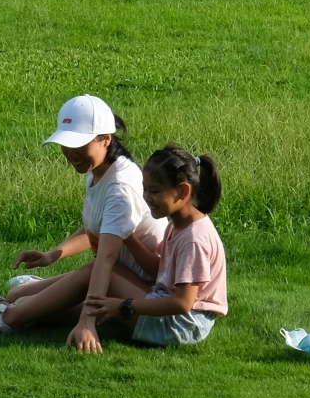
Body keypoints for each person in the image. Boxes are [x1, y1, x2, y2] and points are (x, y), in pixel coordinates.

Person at [0, 95, 165, 354]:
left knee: (82, 275)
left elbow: (105, 259)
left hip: (146, 296)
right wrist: (53, 255)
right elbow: (95, 228)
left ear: (106, 139)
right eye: (66, 143)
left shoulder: (120, 187)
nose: (71, 153)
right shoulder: (98, 173)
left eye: (79, 144)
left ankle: (6, 320)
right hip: (118, 282)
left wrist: (87, 321)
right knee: (19, 296)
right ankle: (22, 302)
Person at [83, 145, 226, 348]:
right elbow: (161, 271)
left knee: (100, 274)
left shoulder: (194, 238)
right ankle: (30, 304)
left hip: (181, 325)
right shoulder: (178, 225)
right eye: (145, 189)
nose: (147, 197)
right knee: (94, 289)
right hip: (170, 309)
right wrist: (128, 237)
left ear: (183, 191)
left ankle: (24, 308)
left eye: (155, 191)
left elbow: (183, 303)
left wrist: (124, 306)